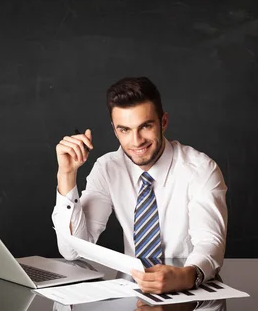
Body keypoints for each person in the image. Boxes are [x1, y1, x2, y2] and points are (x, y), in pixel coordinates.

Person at [51, 76, 228, 294]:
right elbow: (72, 251)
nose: (136, 141)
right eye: (124, 130)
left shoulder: (201, 169)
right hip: (133, 291)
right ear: (115, 130)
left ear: (163, 122)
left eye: (145, 126)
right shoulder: (108, 168)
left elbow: (210, 242)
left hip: (192, 293)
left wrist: (187, 275)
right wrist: (66, 175)